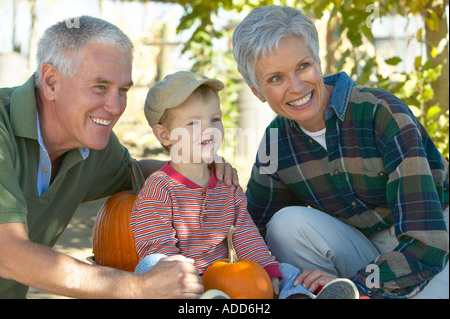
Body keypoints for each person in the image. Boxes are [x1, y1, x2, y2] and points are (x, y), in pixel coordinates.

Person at [0, 16, 237, 299]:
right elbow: (8, 254)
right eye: (100, 87)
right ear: (51, 82)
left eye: (122, 90)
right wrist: (137, 288)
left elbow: (136, 174)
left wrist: (201, 169)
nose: (115, 107)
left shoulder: (93, 145)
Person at [232, 5, 449, 299]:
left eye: (303, 67)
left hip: (434, 237)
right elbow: (252, 227)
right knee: (285, 225)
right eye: (275, 79)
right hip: (364, 248)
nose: (296, 87)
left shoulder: (379, 112)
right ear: (257, 90)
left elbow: (426, 242)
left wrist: (357, 286)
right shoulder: (276, 141)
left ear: (319, 62)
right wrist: (211, 179)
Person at [130, 71, 362, 299]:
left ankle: (299, 295)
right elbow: (157, 244)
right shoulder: (160, 188)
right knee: (150, 264)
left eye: (215, 119)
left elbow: (244, 232)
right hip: (186, 281)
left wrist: (266, 269)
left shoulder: (226, 183)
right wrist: (185, 279)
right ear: (164, 135)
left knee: (286, 270)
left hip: (228, 273)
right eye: (193, 123)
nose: (208, 129)